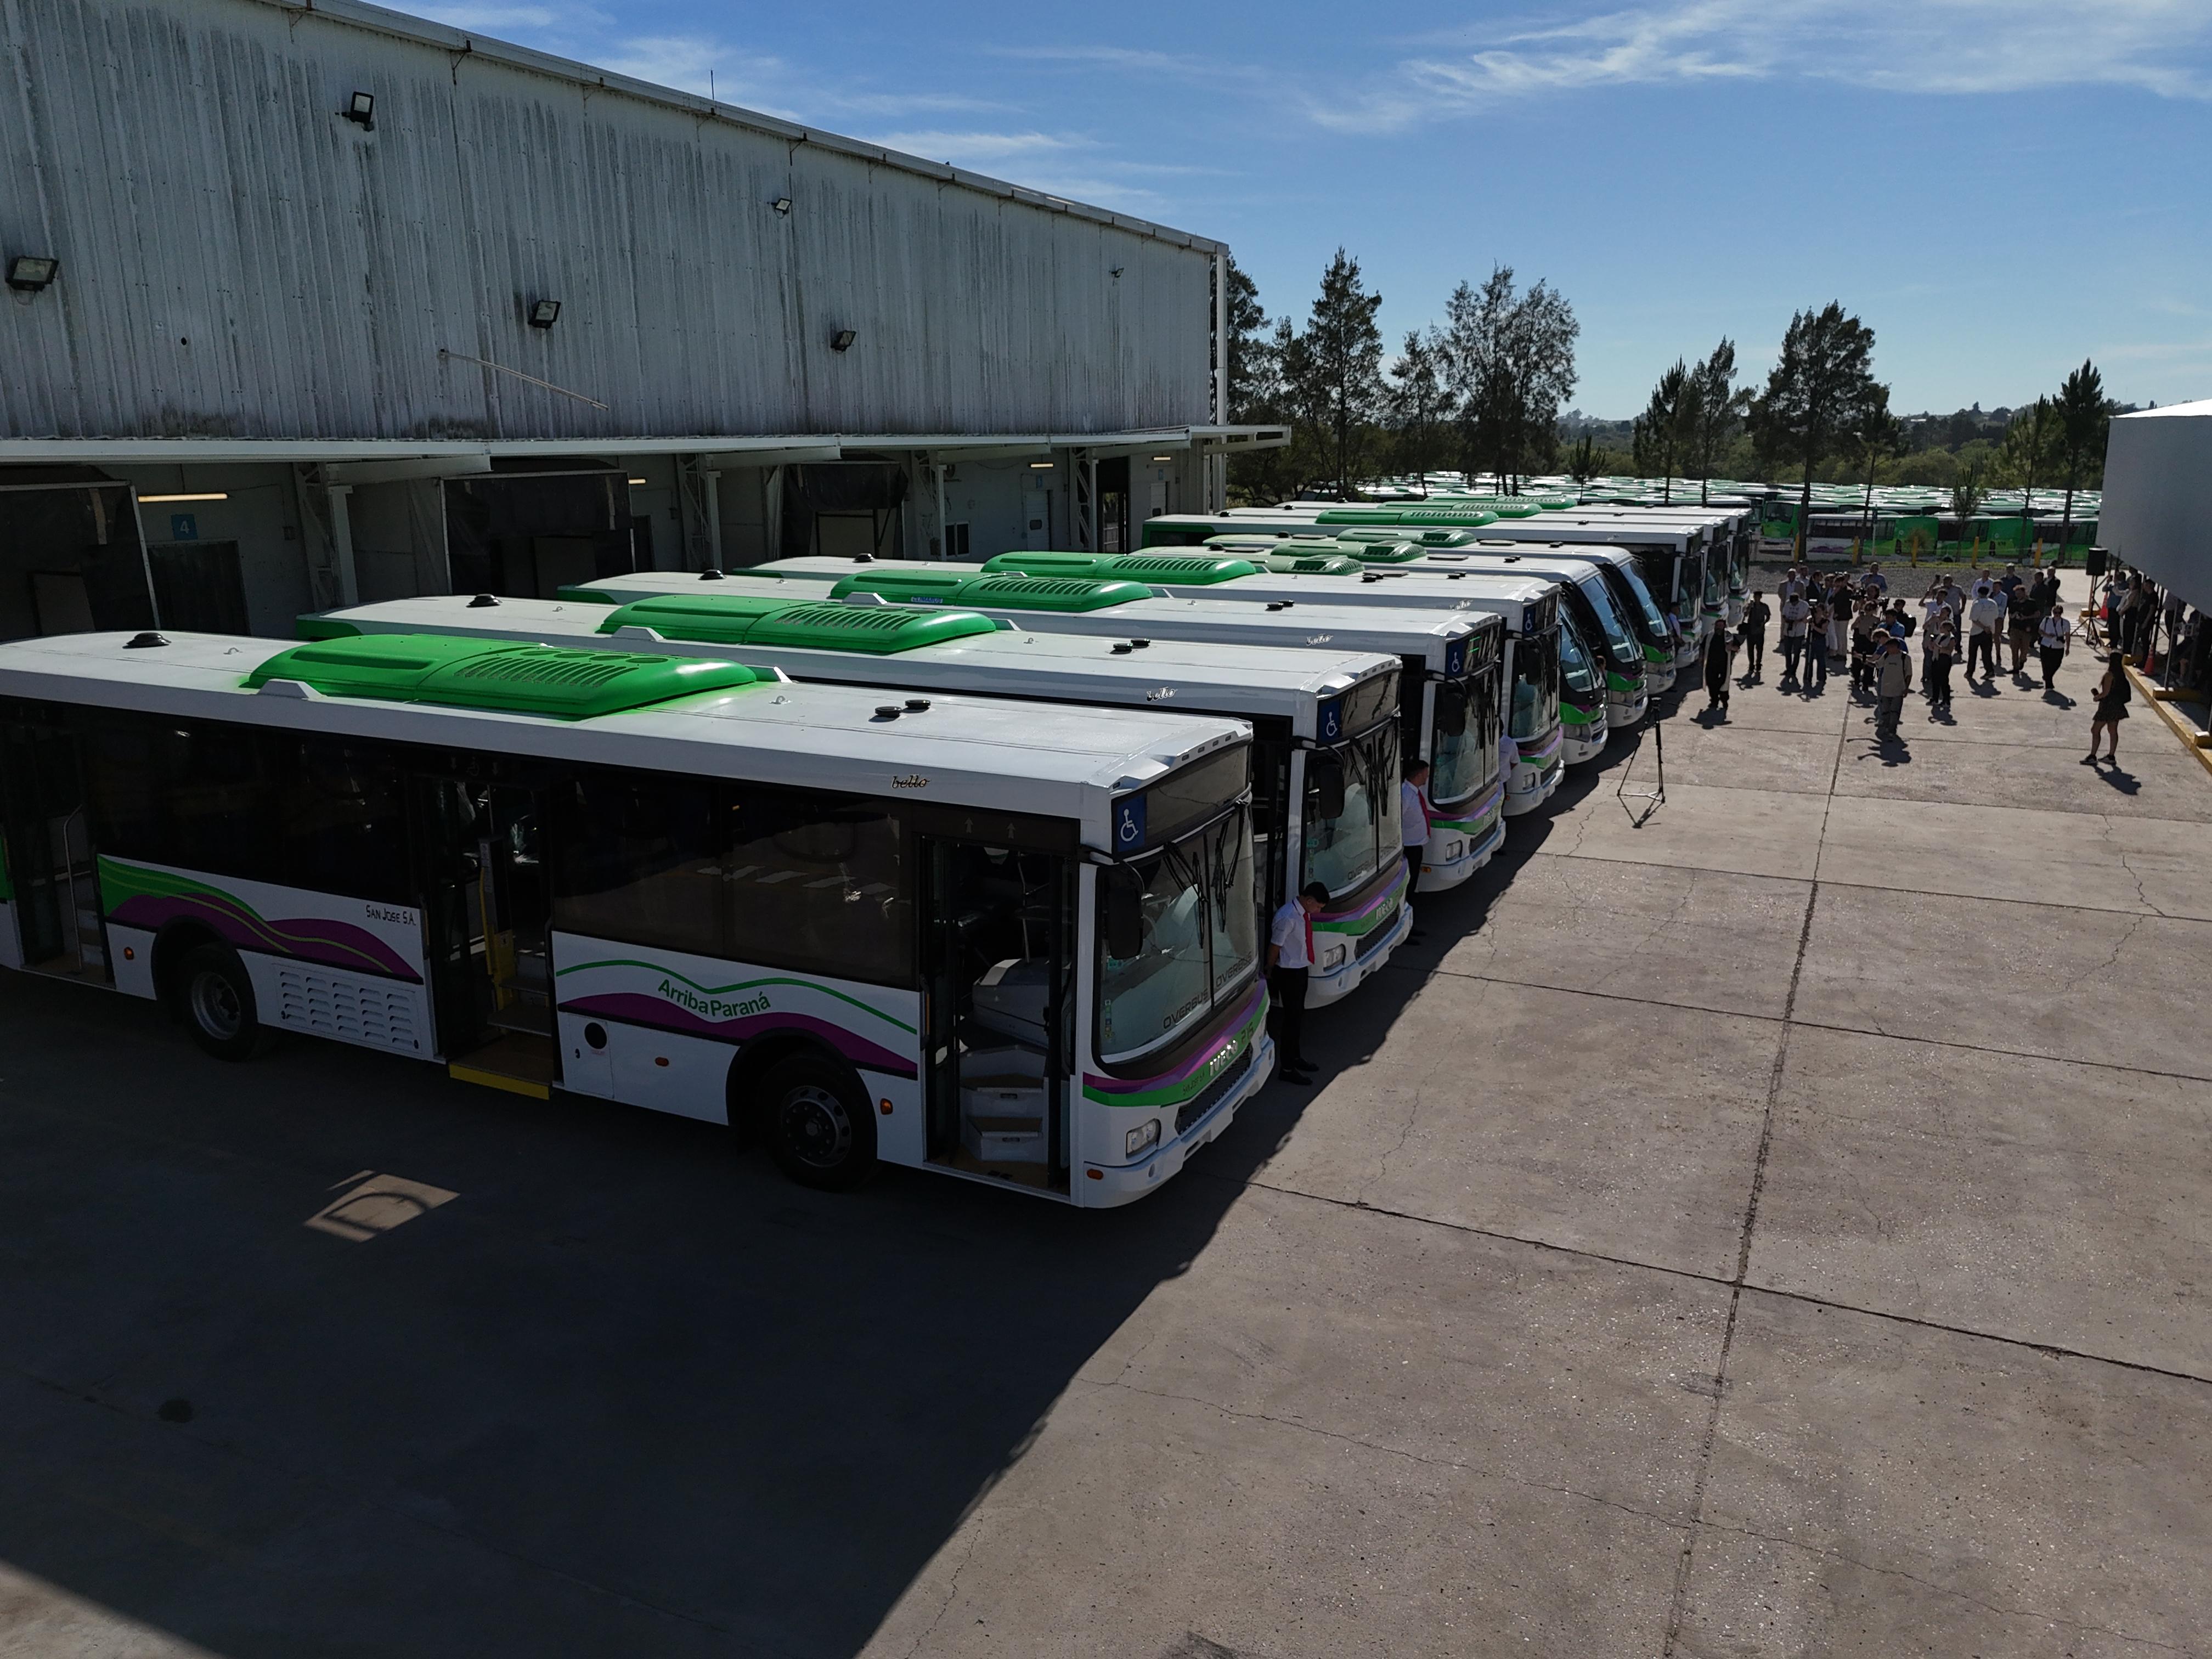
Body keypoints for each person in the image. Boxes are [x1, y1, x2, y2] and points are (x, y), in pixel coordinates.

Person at [1267, 882, 1330, 1083]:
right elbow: (1275, 946)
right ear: (1309, 900)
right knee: (1291, 1021)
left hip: (1300, 970)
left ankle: (1295, 1058)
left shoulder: (1303, 913)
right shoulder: (1287, 917)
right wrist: (1269, 971)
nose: (1319, 911)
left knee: (1297, 1018)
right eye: (1318, 906)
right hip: (1289, 973)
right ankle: (1287, 1069)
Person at [2085, 652, 2130, 765]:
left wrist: (2097, 697)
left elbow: (2105, 693)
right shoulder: (2121, 675)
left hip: (2107, 706)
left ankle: (2092, 756)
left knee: (2095, 730)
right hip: (2118, 706)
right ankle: (2111, 755)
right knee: (2113, 731)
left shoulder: (2109, 675)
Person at [1400, 761, 1432, 894]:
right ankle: (1408, 899)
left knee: (1414, 876)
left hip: (1416, 845)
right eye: (1426, 774)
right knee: (1410, 878)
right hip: (1409, 847)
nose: (1427, 777)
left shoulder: (1415, 792)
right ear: (1418, 775)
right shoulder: (1406, 794)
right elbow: (1397, 819)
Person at [1874, 633, 1912, 738]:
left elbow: (1909, 674)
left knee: (1895, 712)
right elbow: (1877, 664)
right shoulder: (1886, 656)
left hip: (1898, 690)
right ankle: (1886, 728)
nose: (1887, 650)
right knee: (1885, 711)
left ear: (1896, 647)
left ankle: (1892, 730)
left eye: (1889, 647)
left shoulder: (1905, 658)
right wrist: (1864, 660)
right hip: (1885, 690)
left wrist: (1906, 688)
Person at [1924, 606, 1958, 714]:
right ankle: (1935, 699)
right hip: (1937, 659)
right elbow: (1934, 647)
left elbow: (1949, 651)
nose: (1941, 629)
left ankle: (1946, 701)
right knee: (1935, 680)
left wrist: (1938, 647)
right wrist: (1932, 645)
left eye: (1942, 627)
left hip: (1944, 661)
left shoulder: (1951, 639)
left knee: (1944, 681)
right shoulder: (1940, 637)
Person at [1965, 581, 2001, 681]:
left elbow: (1974, 619)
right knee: (1987, 654)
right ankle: (1990, 671)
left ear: (1979, 593)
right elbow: (1996, 616)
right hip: (1989, 632)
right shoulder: (1993, 603)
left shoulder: (1977, 603)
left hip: (1976, 632)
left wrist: (1983, 627)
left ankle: (1970, 672)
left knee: (1973, 654)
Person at [1851, 598, 1883, 696]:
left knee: (1869, 662)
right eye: (1867, 609)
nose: (1868, 611)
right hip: (1861, 640)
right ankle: (1857, 678)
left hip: (1871, 641)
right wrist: (1858, 622)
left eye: (1870, 609)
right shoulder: (1861, 618)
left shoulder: (1877, 620)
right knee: (1857, 661)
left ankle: (1866, 682)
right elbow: (1853, 627)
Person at [1703, 618, 1735, 713]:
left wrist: (1731, 648)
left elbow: (1737, 648)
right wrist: (1701, 658)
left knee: (1723, 684)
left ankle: (1724, 701)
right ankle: (1714, 701)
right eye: (1717, 626)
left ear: (1724, 627)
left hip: (1724, 665)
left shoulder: (1729, 636)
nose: (1719, 628)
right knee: (1711, 683)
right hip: (1711, 665)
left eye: (1721, 626)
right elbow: (1702, 647)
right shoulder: (1709, 636)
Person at [2038, 605, 2073, 691]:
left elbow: (2068, 636)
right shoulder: (2047, 620)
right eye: (2055, 612)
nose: (2057, 614)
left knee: (2057, 664)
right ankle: (2049, 684)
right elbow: (2040, 630)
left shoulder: (2065, 623)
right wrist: (2048, 636)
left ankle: (2047, 677)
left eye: (2059, 613)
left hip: (2058, 646)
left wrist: (2068, 648)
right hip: (2046, 644)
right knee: (2045, 664)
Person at [1780, 591, 1810, 682]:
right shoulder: (1788, 604)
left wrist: (1801, 621)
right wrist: (1787, 620)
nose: (1793, 604)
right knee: (1788, 652)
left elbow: (1809, 616)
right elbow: (1784, 614)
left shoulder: (1804, 605)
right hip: (1788, 632)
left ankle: (1794, 670)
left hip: (1799, 632)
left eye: (1794, 603)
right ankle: (1788, 668)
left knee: (1797, 652)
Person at [1740, 590, 1771, 678]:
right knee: (1750, 649)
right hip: (1751, 630)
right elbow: (1745, 615)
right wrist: (1749, 608)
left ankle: (1758, 663)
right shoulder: (1751, 606)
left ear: (1761, 598)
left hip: (1760, 631)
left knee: (1760, 649)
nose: (1757, 599)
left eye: (1758, 597)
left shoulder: (1764, 606)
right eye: (1755, 597)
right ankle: (1751, 664)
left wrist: (1764, 623)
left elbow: (1768, 616)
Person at [1805, 594, 1831, 691]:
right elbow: (1805, 621)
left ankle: (1821, 677)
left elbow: (1823, 632)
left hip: (1820, 641)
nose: (1817, 613)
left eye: (1819, 611)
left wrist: (1814, 627)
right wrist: (1809, 615)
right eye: (1817, 611)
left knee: (1821, 660)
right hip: (1811, 640)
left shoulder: (1825, 621)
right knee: (1809, 659)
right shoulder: (1812, 619)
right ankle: (1808, 676)